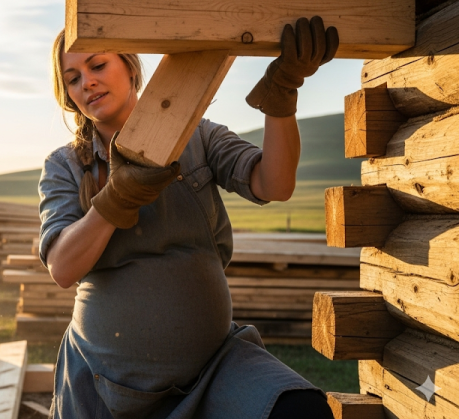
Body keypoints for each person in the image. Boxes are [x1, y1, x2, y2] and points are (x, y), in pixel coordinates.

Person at [39, 17, 338, 419]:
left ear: (130, 65)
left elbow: (275, 184)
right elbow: (62, 267)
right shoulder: (65, 166)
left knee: (302, 411)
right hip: (102, 381)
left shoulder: (200, 136)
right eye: (73, 79)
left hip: (213, 369)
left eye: (97, 65)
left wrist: (283, 92)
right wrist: (116, 199)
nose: (87, 82)